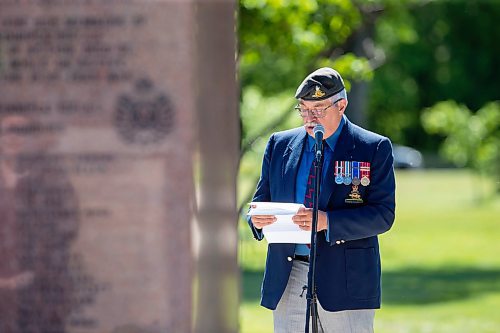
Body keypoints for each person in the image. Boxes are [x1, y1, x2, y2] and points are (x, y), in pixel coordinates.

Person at [248, 67, 396, 333]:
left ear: (342, 105)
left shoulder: (372, 147)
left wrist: (328, 221)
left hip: (346, 277)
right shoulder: (279, 145)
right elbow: (261, 201)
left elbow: (383, 215)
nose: (309, 117)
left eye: (318, 108)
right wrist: (256, 220)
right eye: (303, 109)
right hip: (288, 275)